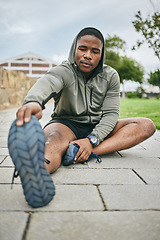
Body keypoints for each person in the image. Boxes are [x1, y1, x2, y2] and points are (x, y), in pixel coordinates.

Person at [8, 27, 156, 208]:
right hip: (65, 124)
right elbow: (47, 82)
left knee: (146, 125)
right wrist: (33, 102)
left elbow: (110, 115)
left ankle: (79, 151)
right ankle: (34, 173)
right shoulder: (64, 70)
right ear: (74, 49)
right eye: (83, 49)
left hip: (98, 126)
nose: (88, 55)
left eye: (95, 51)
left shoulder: (111, 76)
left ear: (101, 55)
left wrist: (91, 140)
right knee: (52, 142)